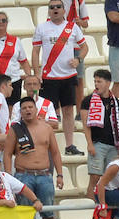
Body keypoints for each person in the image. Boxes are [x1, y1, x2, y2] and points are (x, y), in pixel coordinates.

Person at [33, 1, 87, 157]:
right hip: (48, 76)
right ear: (48, 11)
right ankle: (45, 144)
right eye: (52, 7)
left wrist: (78, 60)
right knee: (45, 113)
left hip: (68, 76)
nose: (55, 9)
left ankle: (69, 145)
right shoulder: (41, 28)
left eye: (58, 7)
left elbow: (84, 47)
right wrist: (37, 73)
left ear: (64, 10)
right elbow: (35, 52)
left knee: (68, 111)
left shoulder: (73, 27)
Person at [3, 97, 65, 219]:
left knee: (48, 214)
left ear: (36, 109)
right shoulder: (16, 129)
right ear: (21, 112)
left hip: (44, 175)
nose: (28, 110)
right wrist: (8, 178)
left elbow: (55, 153)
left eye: (30, 107)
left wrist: (60, 174)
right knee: (25, 214)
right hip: (23, 176)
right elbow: (7, 154)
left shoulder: (47, 128)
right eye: (24, 108)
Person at [80, 69, 119, 200]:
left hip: (113, 144)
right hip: (97, 143)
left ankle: (106, 205)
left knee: (111, 178)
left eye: (99, 81)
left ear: (108, 83)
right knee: (94, 177)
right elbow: (86, 125)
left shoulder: (116, 102)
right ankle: (91, 206)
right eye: (95, 81)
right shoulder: (88, 101)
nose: (96, 84)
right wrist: (89, 144)